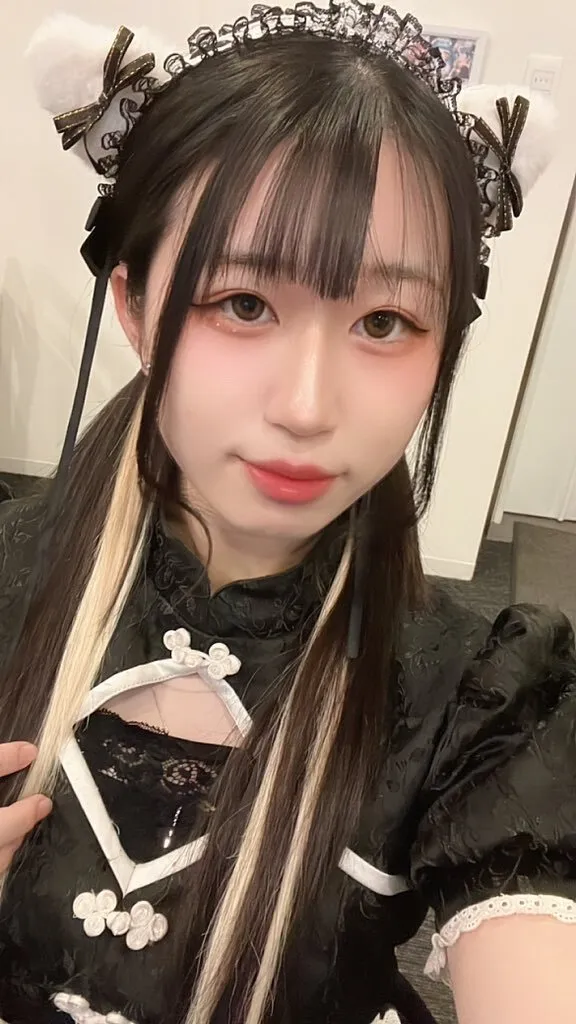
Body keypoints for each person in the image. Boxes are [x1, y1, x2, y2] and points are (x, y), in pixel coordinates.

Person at [0, 3, 574, 1023]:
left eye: (385, 321)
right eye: (244, 304)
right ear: (134, 305)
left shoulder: (478, 700)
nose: (308, 408)